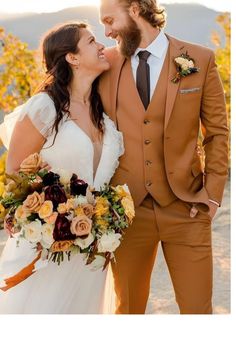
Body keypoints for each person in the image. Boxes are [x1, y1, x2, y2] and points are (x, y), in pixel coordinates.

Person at [99, 0, 229, 314]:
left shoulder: (200, 59)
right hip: (127, 212)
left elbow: (218, 133)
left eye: (109, 20)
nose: (105, 31)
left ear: (133, 10)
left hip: (187, 208)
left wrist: (211, 196)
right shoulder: (105, 63)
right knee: (128, 310)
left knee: (198, 310)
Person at [0, 22, 124, 314]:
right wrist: (47, 218)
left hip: (92, 250)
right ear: (73, 57)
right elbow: (15, 173)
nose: (101, 46)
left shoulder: (104, 115)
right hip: (46, 247)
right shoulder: (44, 107)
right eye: (92, 41)